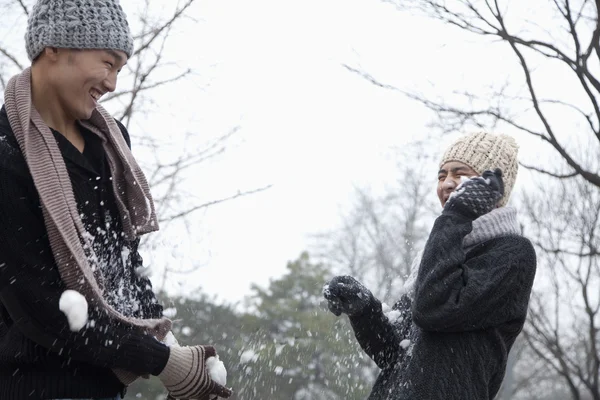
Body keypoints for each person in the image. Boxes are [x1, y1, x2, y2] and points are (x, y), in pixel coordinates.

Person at [0, 1, 233, 399]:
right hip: (32, 384)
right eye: (108, 63)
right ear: (54, 48)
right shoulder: (6, 154)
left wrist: (175, 353)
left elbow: (123, 262)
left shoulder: (108, 143)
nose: (112, 83)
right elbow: (35, 303)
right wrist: (159, 359)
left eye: (121, 69)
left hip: (104, 385)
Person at [323, 132, 537, 400]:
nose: (447, 183)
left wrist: (456, 216)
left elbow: (434, 308)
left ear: (490, 187)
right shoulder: (440, 254)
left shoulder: (512, 254)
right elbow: (391, 351)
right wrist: (365, 310)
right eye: (441, 175)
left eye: (459, 174)